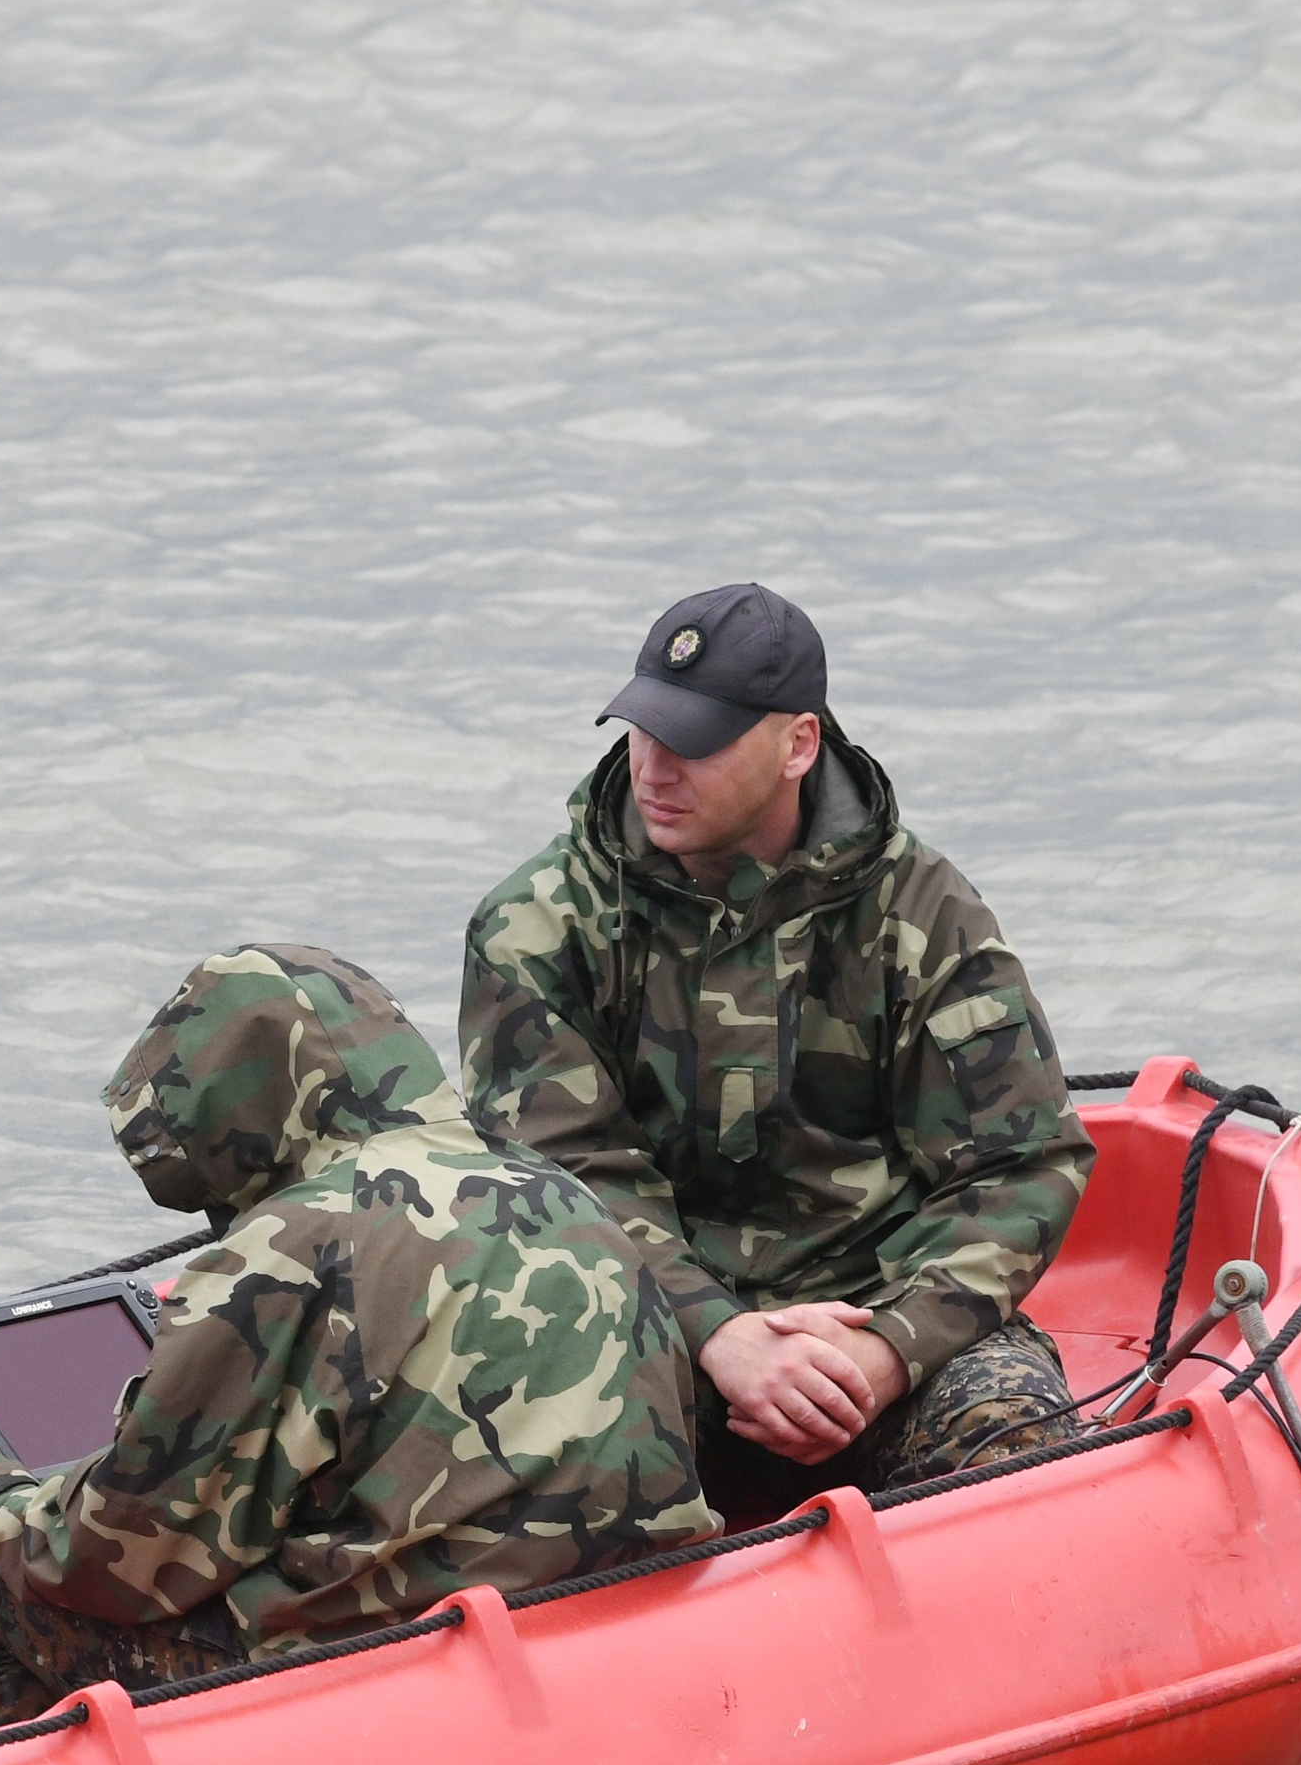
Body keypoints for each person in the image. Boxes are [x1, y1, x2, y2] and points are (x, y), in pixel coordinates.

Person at [0, 943, 720, 1736]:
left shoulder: (289, 1247)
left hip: (400, 1661)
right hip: (619, 1609)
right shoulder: (556, 1189)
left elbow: (116, 1563)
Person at [461, 582, 1095, 1520]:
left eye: (695, 743)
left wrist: (887, 1351)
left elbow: (1021, 1166)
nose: (654, 769)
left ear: (798, 744)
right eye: (642, 731)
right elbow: (559, 1177)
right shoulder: (541, 924)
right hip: (647, 1325)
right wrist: (720, 1334)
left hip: (875, 1311)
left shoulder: (922, 910)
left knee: (1015, 1446)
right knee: (506, 1467)